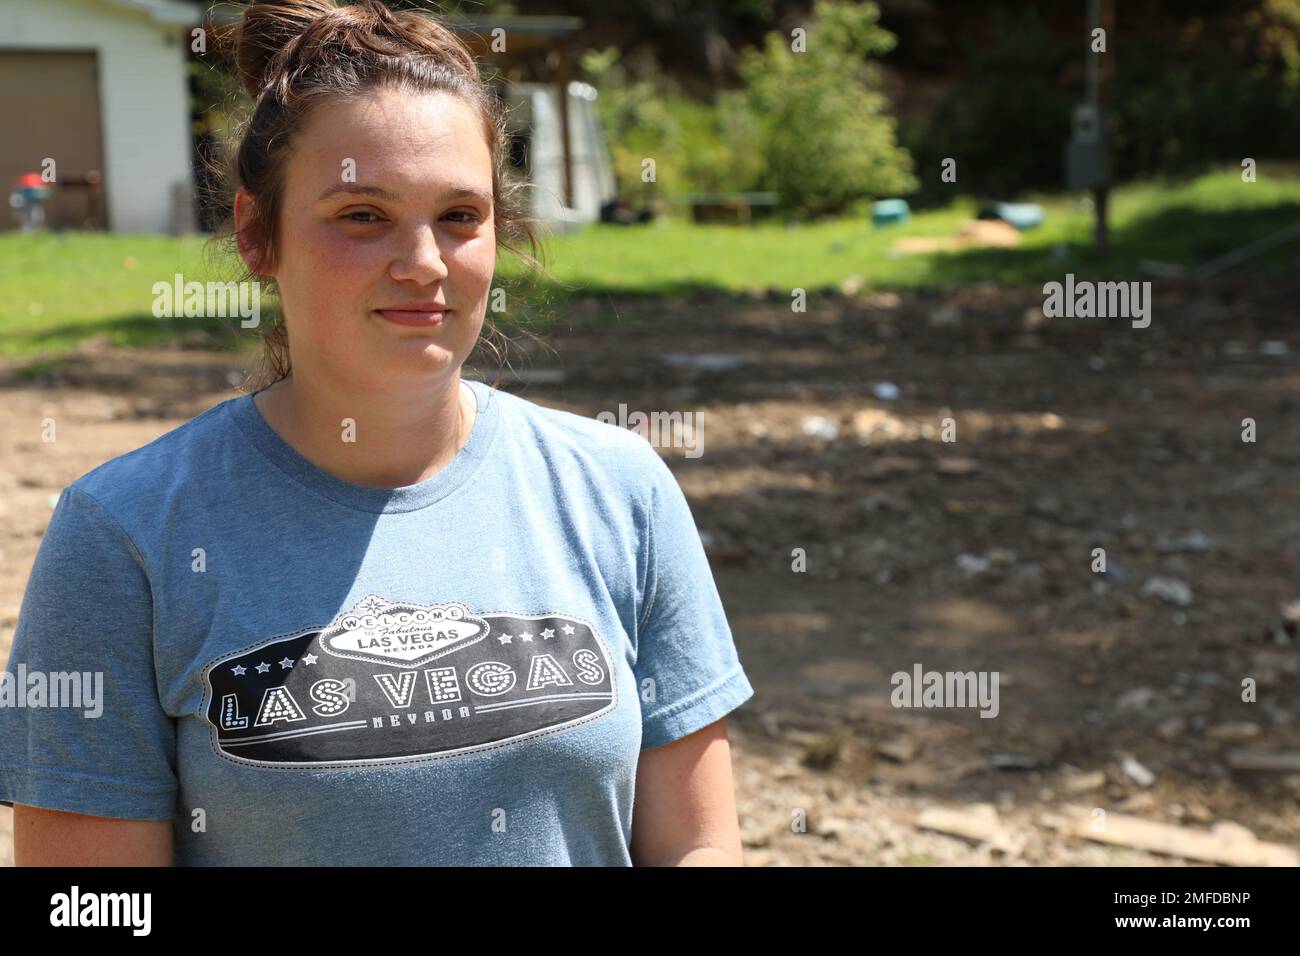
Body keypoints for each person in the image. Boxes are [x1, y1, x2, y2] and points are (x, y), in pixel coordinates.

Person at [0, 0, 753, 866]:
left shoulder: (621, 490)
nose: (425, 262)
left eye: (461, 216)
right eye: (363, 214)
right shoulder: (122, 536)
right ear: (256, 233)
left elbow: (699, 847)